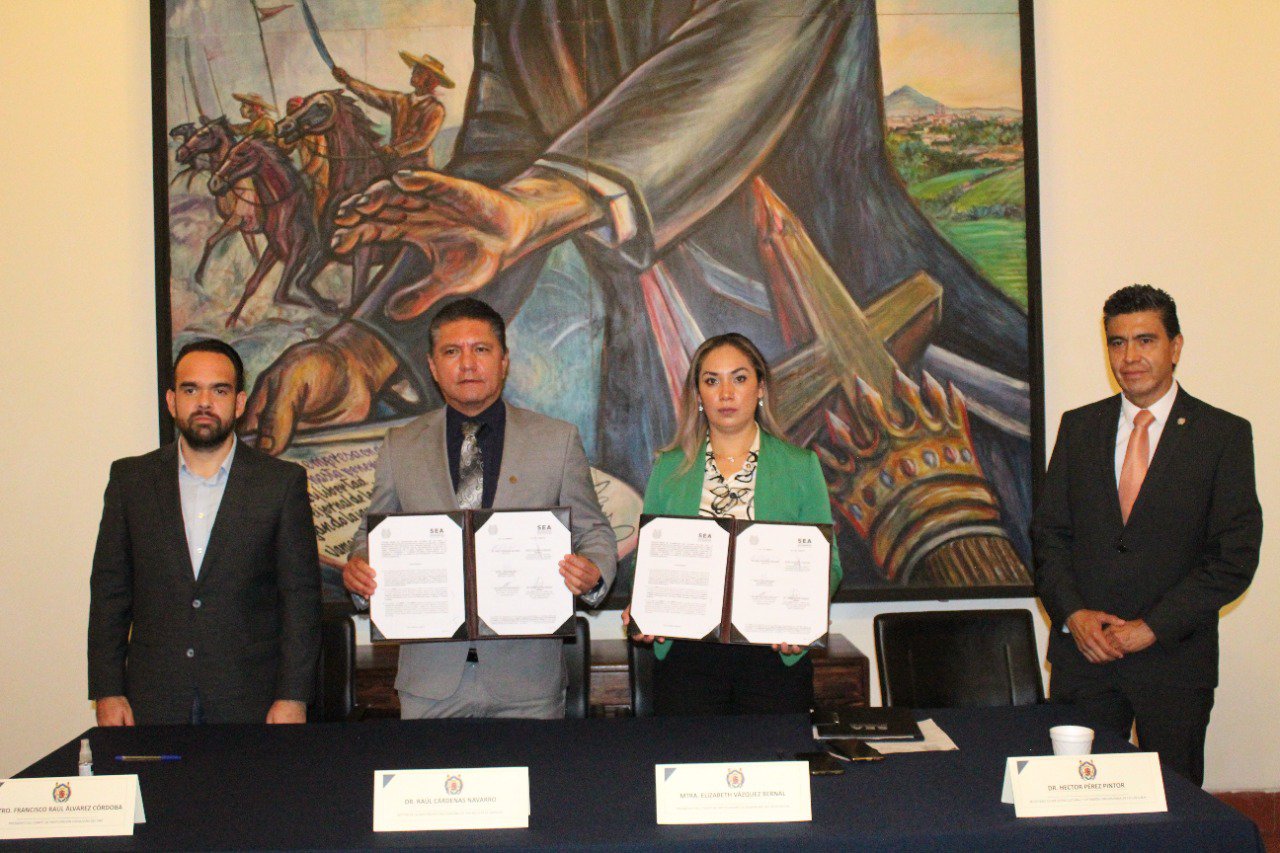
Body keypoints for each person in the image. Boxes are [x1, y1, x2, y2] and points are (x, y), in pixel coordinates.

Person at [239, 1, 1034, 597]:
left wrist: (541, 204)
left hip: (882, 348)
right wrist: (368, 346)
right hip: (650, 389)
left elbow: (737, 57)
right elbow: (496, 179)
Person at [342, 297, 616, 718]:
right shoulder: (401, 446)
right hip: (429, 680)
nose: (467, 364)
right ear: (433, 367)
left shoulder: (556, 441)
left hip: (527, 681)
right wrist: (360, 566)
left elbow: (594, 532)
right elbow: (370, 536)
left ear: (504, 361)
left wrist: (593, 571)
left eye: (481, 349)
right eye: (452, 352)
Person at [1033, 285, 1262, 786]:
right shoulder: (1079, 427)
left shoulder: (1221, 435)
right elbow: (1049, 537)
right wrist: (1074, 615)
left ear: (1175, 347)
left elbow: (1233, 557)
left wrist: (1151, 627)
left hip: (1173, 664)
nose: (1130, 357)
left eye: (1145, 340)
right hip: (1085, 661)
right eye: (1117, 343)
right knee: (1074, 808)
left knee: (1173, 808)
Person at [88, 339, 322, 725]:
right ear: (171, 401)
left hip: (251, 702)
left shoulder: (281, 484)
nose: (204, 402)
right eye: (190, 389)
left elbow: (300, 600)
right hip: (153, 702)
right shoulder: (131, 481)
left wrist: (293, 697)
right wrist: (108, 691)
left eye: (219, 390)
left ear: (240, 403)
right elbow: (110, 593)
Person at [624, 333, 841, 714]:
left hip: (773, 656)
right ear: (698, 395)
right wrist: (643, 607)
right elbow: (648, 562)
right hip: (687, 660)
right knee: (688, 753)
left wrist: (802, 621)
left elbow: (829, 565)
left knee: (775, 752)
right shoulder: (669, 467)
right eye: (712, 381)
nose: (726, 393)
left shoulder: (800, 466)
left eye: (739, 378)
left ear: (760, 388)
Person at [331, 50, 450, 171]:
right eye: (415, 70)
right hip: (393, 164)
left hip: (418, 167)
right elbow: (373, 94)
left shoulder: (436, 109)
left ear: (430, 80)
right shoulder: (399, 100)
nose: (413, 73)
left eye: (419, 72)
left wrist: (396, 150)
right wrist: (347, 80)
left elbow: (422, 141)